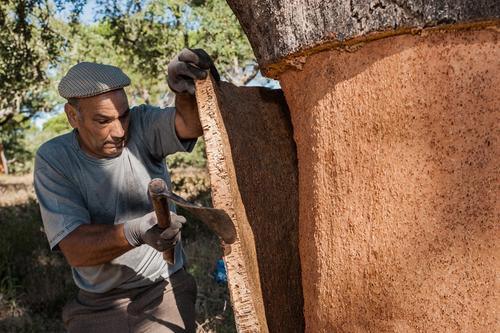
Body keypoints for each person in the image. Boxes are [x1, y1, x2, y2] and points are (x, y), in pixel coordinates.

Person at [34, 49, 219, 333]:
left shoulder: (143, 124)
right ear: (73, 116)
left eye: (123, 116)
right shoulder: (54, 159)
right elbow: (75, 249)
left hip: (163, 290)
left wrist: (185, 91)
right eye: (103, 121)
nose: (120, 131)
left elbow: (192, 124)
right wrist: (137, 231)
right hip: (96, 305)